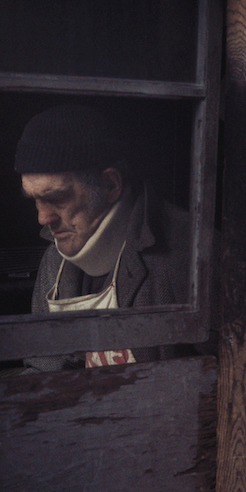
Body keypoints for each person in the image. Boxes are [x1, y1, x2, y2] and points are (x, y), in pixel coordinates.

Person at [14, 104, 202, 371]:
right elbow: (42, 371)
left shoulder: (190, 255)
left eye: (55, 198)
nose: (43, 219)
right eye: (35, 200)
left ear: (110, 185)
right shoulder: (54, 259)